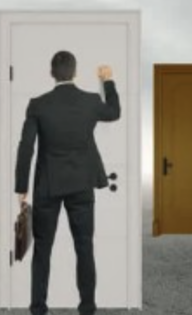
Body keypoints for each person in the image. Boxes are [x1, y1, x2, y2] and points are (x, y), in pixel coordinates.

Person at [14, 50, 121, 315]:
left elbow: (25, 147)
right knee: (84, 247)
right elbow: (114, 112)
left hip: (47, 186)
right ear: (75, 72)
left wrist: (21, 187)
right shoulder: (90, 101)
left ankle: (38, 309)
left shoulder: (38, 104)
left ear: (52, 73)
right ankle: (87, 308)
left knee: (42, 249)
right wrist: (108, 80)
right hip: (82, 184)